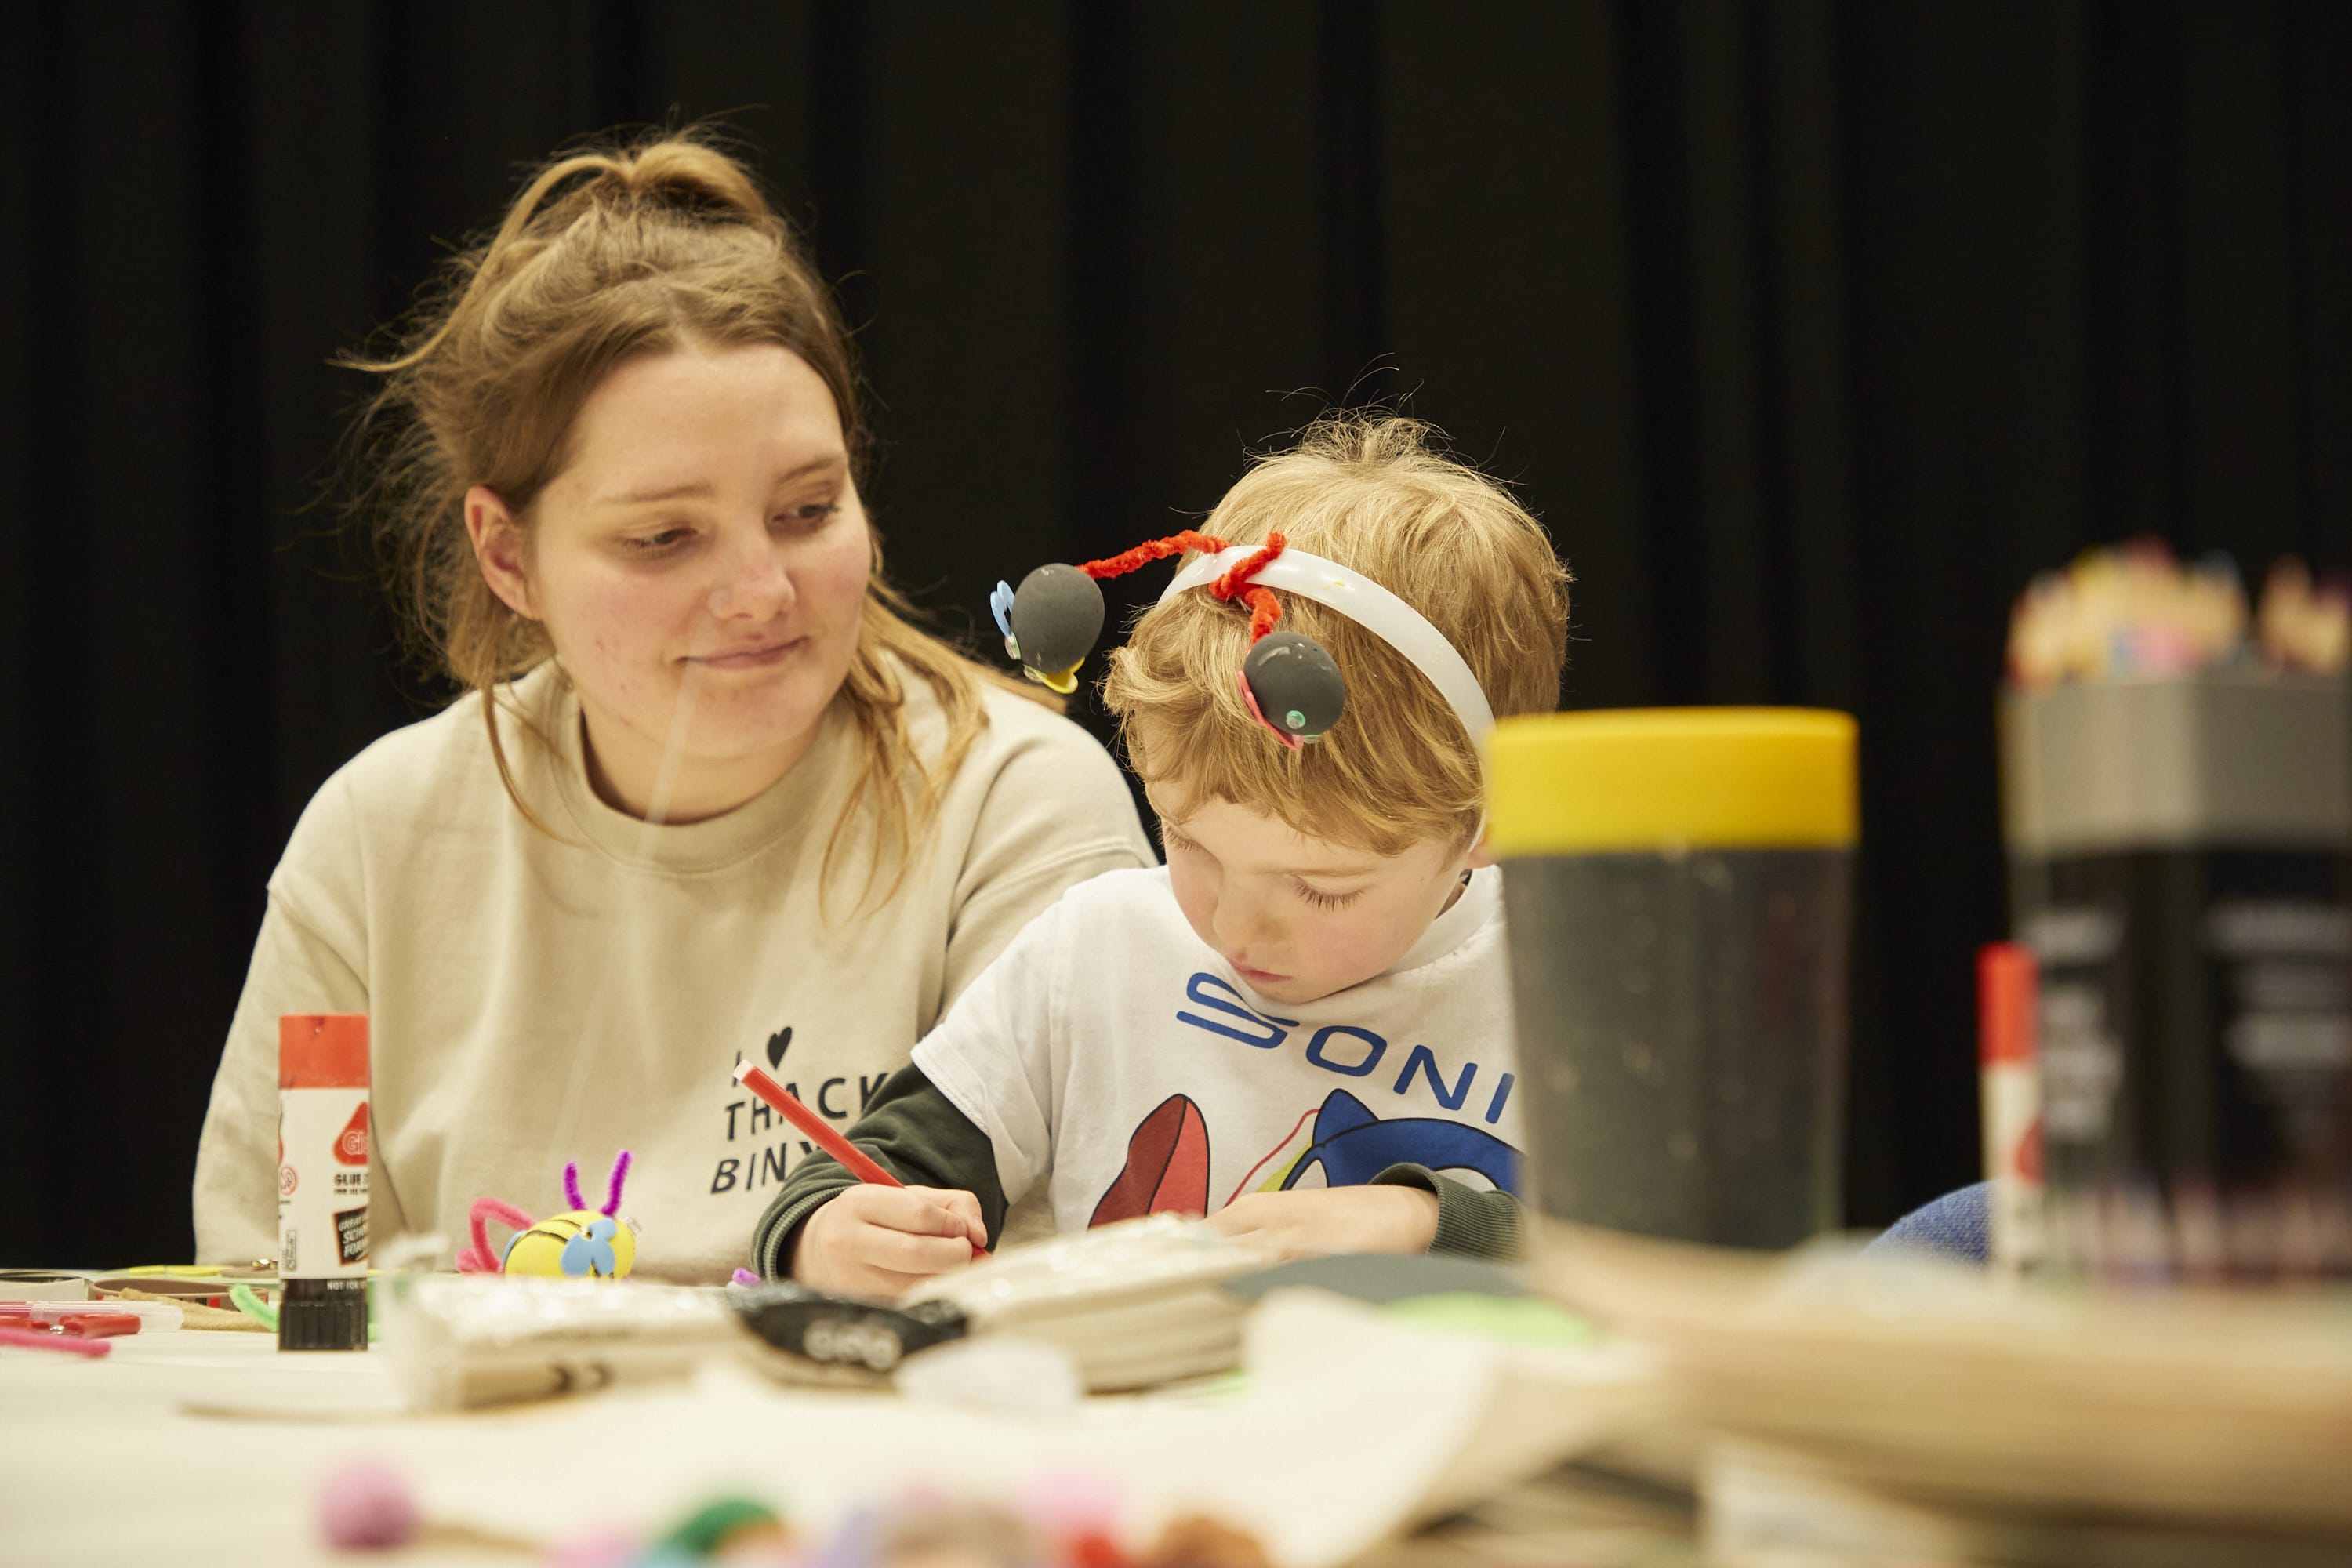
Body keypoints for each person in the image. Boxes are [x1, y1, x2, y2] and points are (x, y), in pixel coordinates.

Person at [192, 130, 1153, 1281]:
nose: (761, 593)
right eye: (664, 538)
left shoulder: (1019, 806)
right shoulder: (376, 838)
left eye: (808, 510)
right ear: (508, 556)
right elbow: (268, 1295)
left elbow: (1089, 1293)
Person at [757, 415, 1572, 1298]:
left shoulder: (1575, 984)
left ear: (1486, 821)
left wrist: (1431, 1226)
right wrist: (829, 1234)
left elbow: (1690, 1260)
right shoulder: (1097, 950)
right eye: (1187, 839)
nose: (1233, 923)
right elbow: (858, 1176)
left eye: (1320, 887)